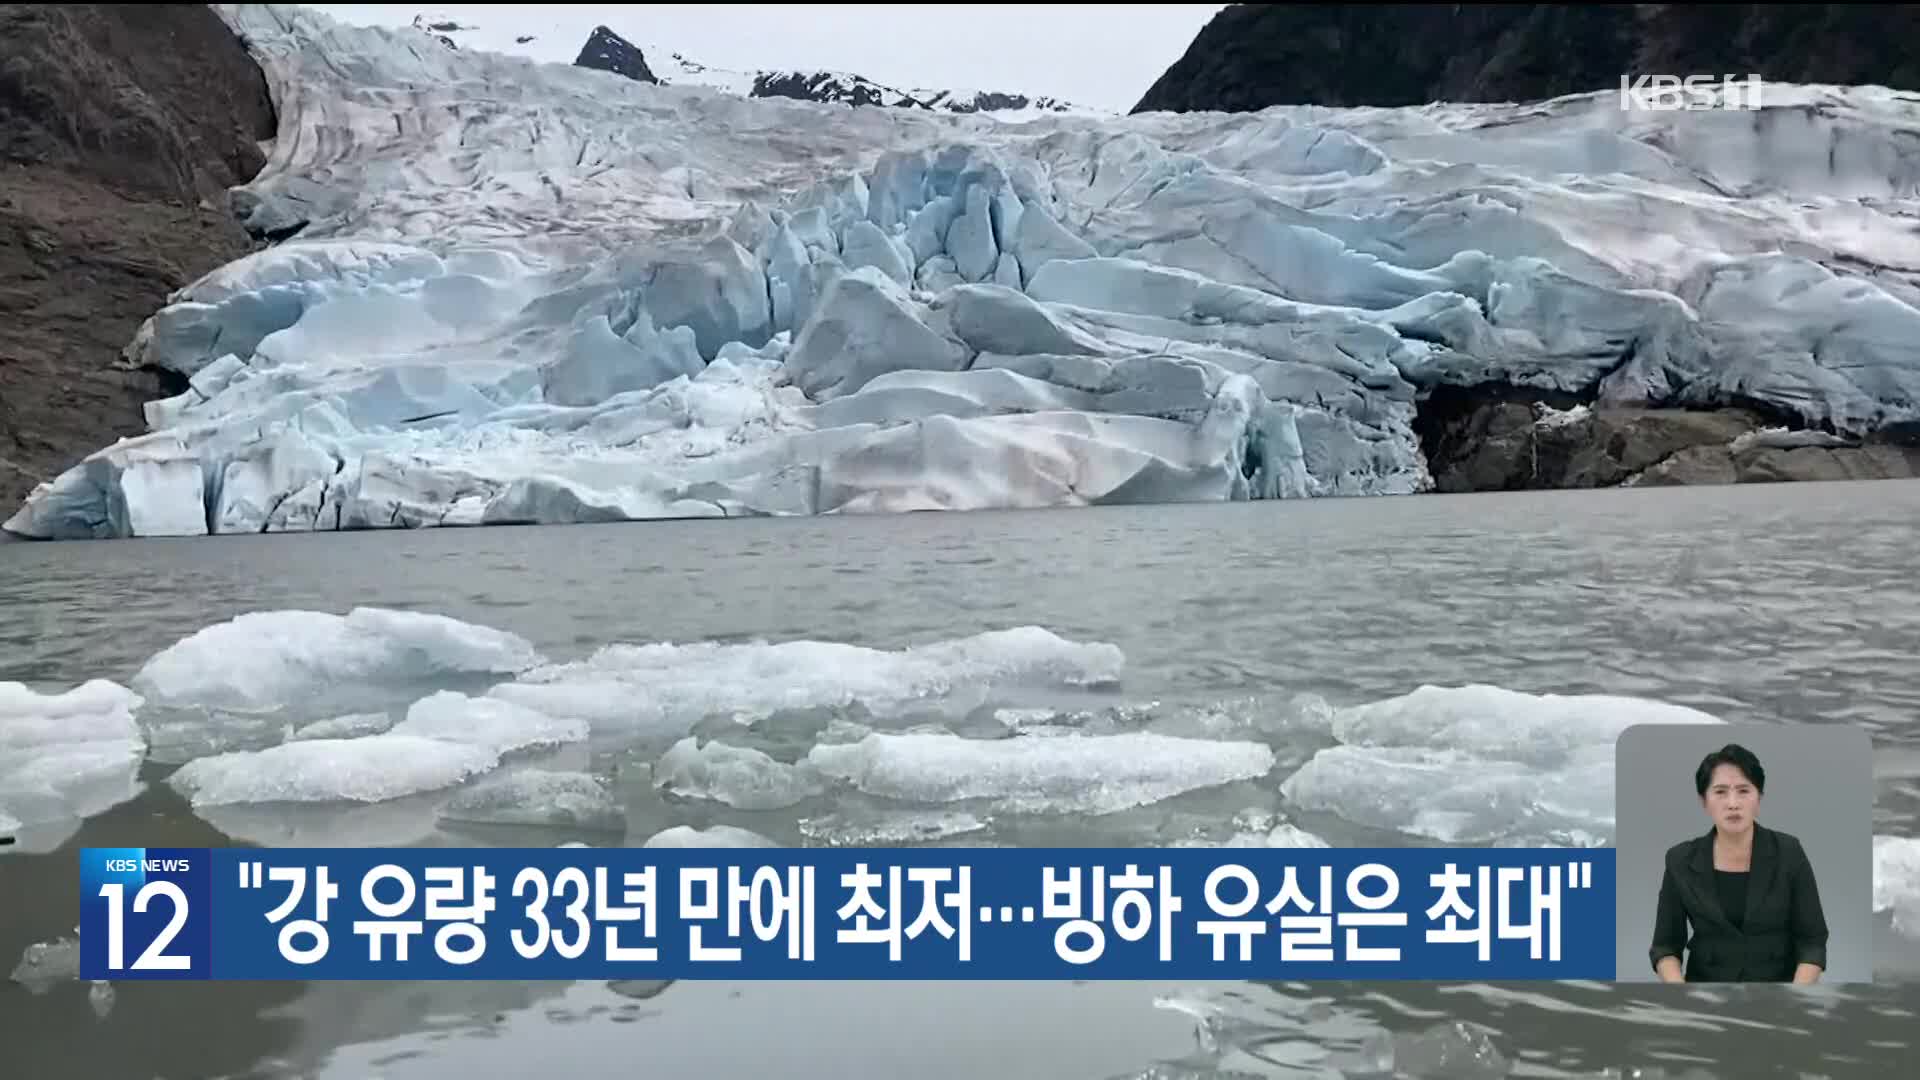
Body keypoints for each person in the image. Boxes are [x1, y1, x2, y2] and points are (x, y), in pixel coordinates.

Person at [1648, 743, 1828, 983]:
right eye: (1720, 792)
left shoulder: (1789, 852)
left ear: (1759, 798)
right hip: (1705, 995)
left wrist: (1794, 1000)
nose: (1733, 803)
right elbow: (1665, 947)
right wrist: (1682, 997)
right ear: (1704, 801)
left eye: (1744, 791)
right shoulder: (1680, 860)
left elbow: (1812, 941)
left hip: (1778, 994)